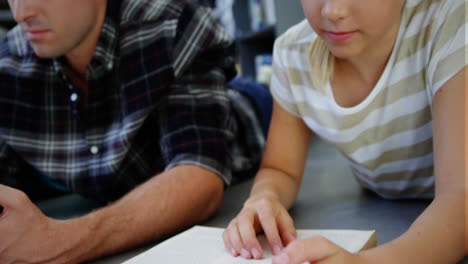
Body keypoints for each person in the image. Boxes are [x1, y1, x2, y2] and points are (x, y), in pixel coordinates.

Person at [0, 0, 270, 263]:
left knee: (277, 91)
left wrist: (58, 241)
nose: (22, 12)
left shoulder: (171, 24)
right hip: (123, 169)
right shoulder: (8, 64)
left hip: (246, 114)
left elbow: (198, 177)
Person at [223, 0, 467, 263]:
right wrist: (264, 198)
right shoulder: (293, 53)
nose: (333, 11)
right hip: (386, 209)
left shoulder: (450, 22)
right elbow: (280, 169)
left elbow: (461, 197)